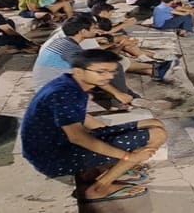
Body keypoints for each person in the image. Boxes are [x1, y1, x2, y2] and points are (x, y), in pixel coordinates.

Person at [21, 49, 168, 203]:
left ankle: (101, 170)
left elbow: (84, 120)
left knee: (154, 123)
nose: (109, 77)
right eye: (101, 72)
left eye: (112, 72)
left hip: (56, 145)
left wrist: (110, 136)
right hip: (53, 158)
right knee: (157, 134)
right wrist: (128, 156)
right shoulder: (65, 94)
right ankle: (99, 188)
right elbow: (78, 137)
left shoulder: (70, 84)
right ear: (79, 71)